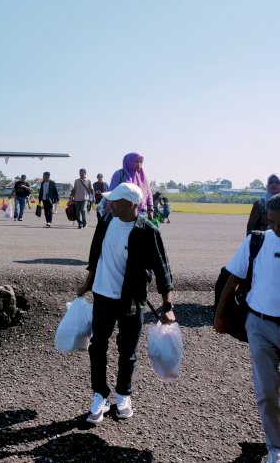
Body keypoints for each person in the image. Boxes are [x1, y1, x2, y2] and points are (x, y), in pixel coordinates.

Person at [77, 182, 175, 425]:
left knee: (127, 351)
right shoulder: (106, 222)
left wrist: (168, 306)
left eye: (115, 201)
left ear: (131, 205)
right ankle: (99, 394)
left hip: (131, 301)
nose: (110, 204)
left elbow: (164, 271)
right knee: (98, 347)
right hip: (102, 296)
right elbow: (94, 257)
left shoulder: (148, 231)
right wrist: (86, 284)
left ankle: (123, 396)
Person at [215, 195, 280, 462]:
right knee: (266, 390)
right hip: (259, 325)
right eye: (272, 221)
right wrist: (220, 313)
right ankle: (275, 447)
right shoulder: (258, 241)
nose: (275, 227)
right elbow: (234, 277)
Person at [109, 152, 154, 220]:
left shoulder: (143, 177)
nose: (139, 164)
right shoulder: (119, 174)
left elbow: (149, 192)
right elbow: (111, 194)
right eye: (136, 161)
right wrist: (111, 209)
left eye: (140, 162)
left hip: (141, 214)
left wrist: (150, 209)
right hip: (123, 214)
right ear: (129, 162)